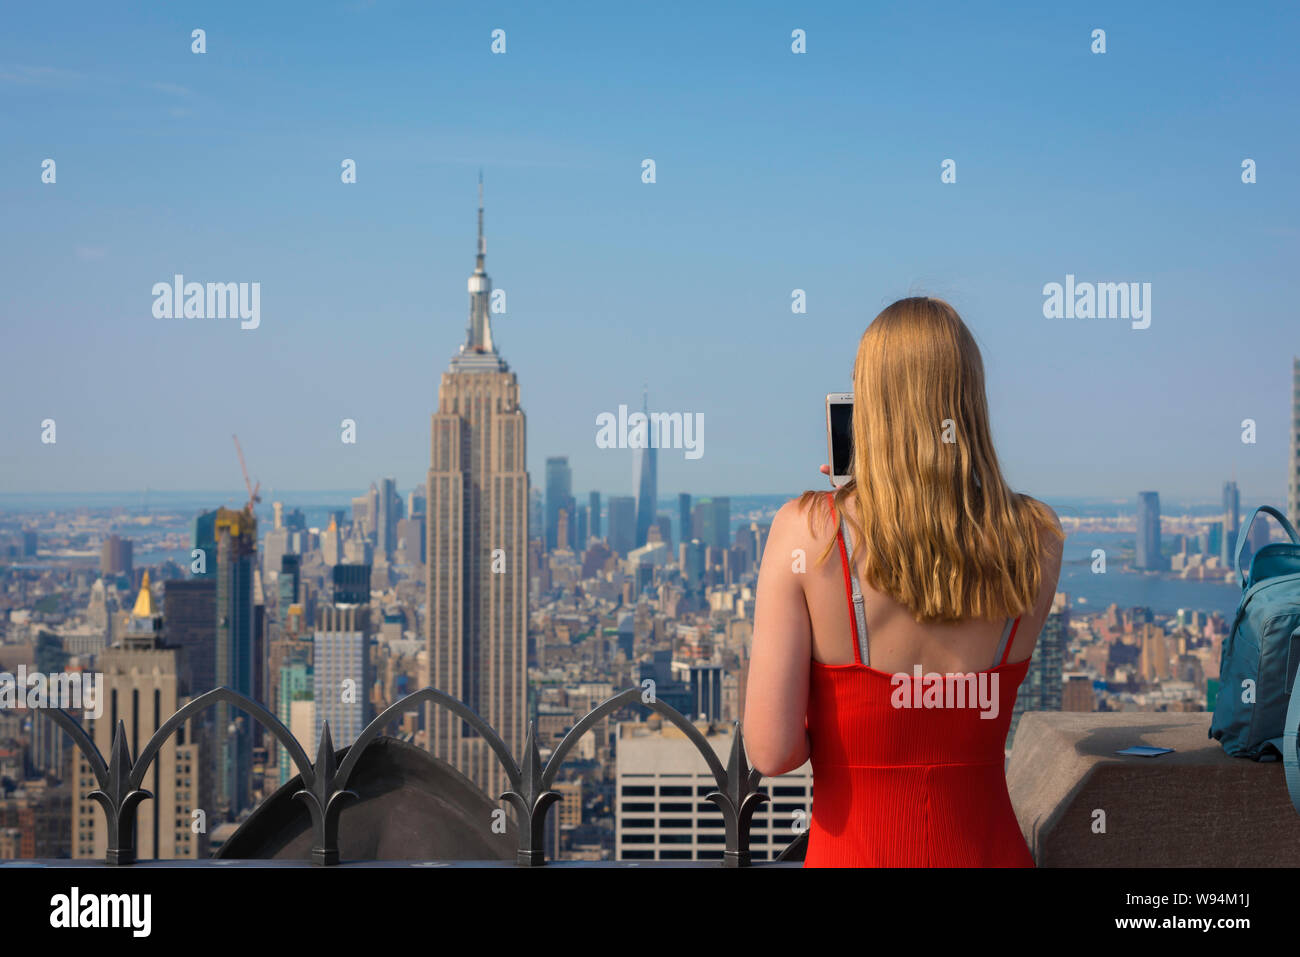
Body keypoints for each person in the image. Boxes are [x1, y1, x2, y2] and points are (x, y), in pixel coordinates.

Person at [744, 296, 1064, 867]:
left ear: (870, 403)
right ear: (968, 399)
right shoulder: (1038, 536)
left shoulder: (807, 533)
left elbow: (770, 751)